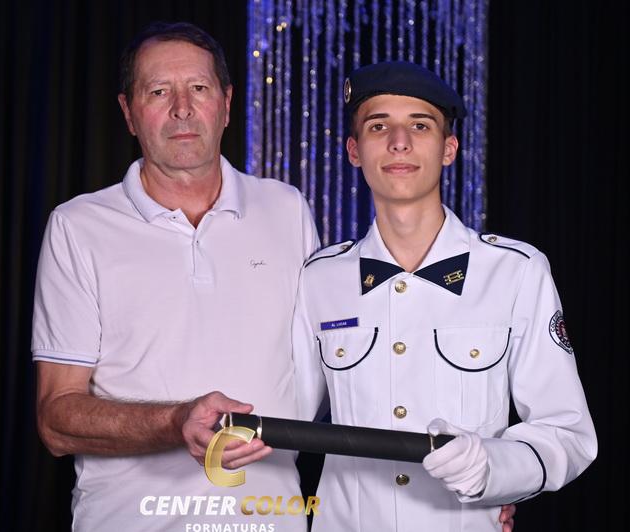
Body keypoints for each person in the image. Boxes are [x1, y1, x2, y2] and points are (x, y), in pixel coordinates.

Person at [32, 22, 320, 531]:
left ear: (226, 104)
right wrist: (175, 420)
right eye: (159, 91)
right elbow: (56, 420)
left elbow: (338, 366)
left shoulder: (287, 208)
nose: (182, 109)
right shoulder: (78, 227)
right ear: (128, 112)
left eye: (199, 88)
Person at [291, 61, 598, 530]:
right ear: (354, 151)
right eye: (378, 126)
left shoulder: (516, 272)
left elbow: (567, 433)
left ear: (448, 148)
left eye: (420, 126)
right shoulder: (319, 278)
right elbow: (285, 412)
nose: (399, 142)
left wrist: (493, 469)